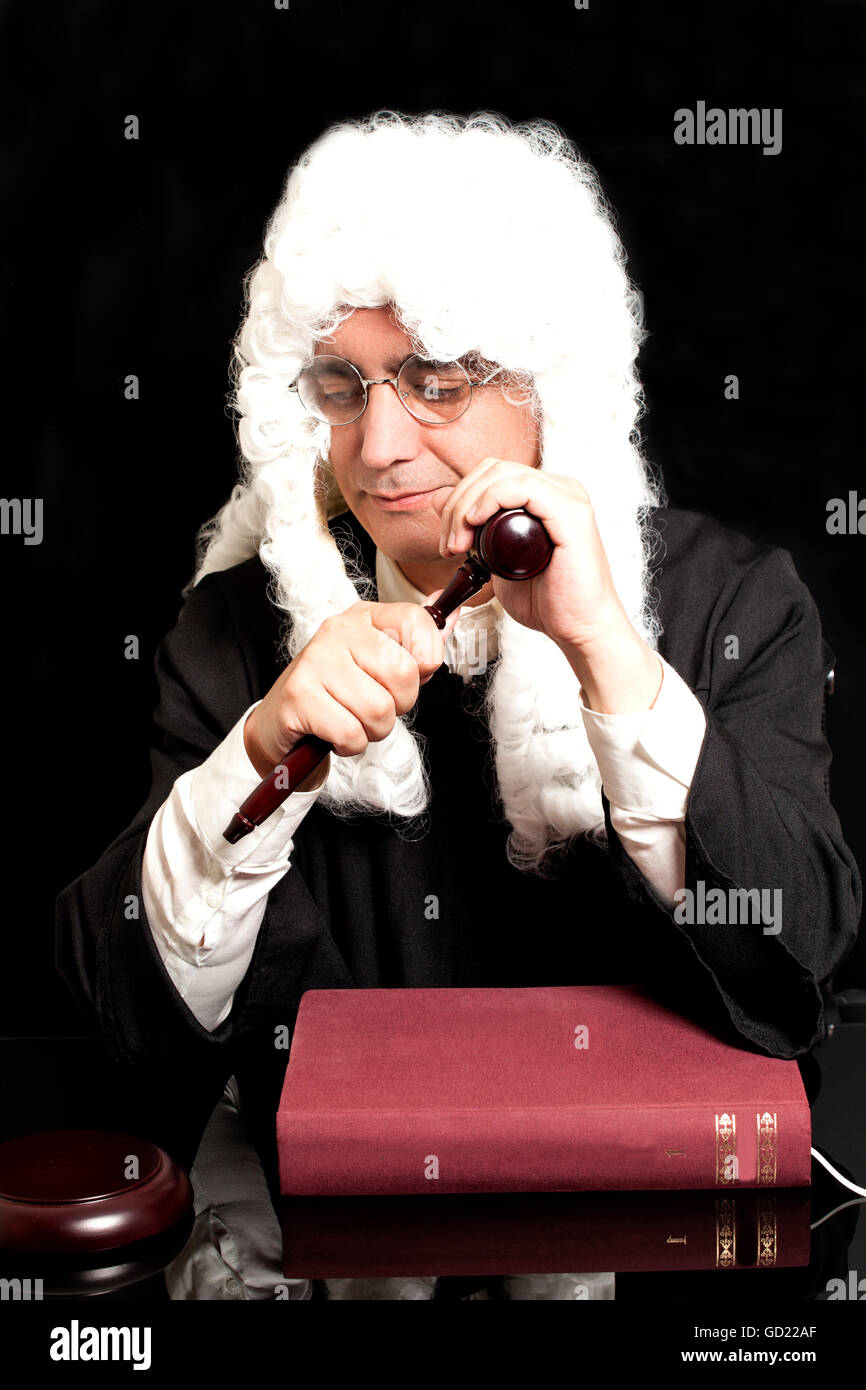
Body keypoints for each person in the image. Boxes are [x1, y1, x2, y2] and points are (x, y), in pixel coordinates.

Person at [56, 110, 860, 1300]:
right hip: (326, 1234)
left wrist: (606, 655)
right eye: (342, 387)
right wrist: (262, 753)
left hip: (657, 1250)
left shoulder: (732, 602)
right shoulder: (231, 635)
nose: (378, 448)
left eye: (432, 382)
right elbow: (117, 1012)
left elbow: (799, 966)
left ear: (550, 386)